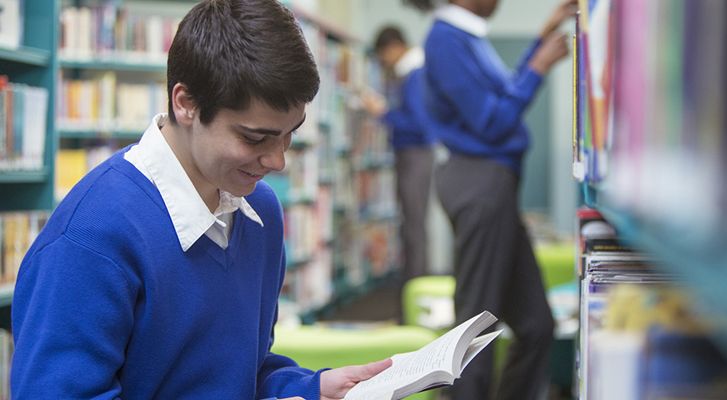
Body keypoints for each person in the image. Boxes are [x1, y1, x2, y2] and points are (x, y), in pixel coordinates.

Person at [11, 0, 390, 398]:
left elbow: (240, 374)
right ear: (186, 103)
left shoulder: (260, 212)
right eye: (254, 137)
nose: (278, 160)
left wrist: (311, 387)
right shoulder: (91, 237)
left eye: (289, 133)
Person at [404, 0, 576, 399]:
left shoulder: (464, 36)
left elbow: (502, 94)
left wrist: (539, 41)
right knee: (477, 326)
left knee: (536, 325)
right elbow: (493, 120)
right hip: (479, 183)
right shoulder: (446, 40)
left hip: (493, 184)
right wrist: (539, 67)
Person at [362, 25, 435, 293]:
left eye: (384, 56)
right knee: (413, 224)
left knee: (414, 226)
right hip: (414, 155)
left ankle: (416, 290)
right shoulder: (412, 74)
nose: (384, 63)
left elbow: (419, 124)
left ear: (394, 47)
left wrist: (383, 113)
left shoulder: (413, 75)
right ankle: (415, 287)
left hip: (415, 154)